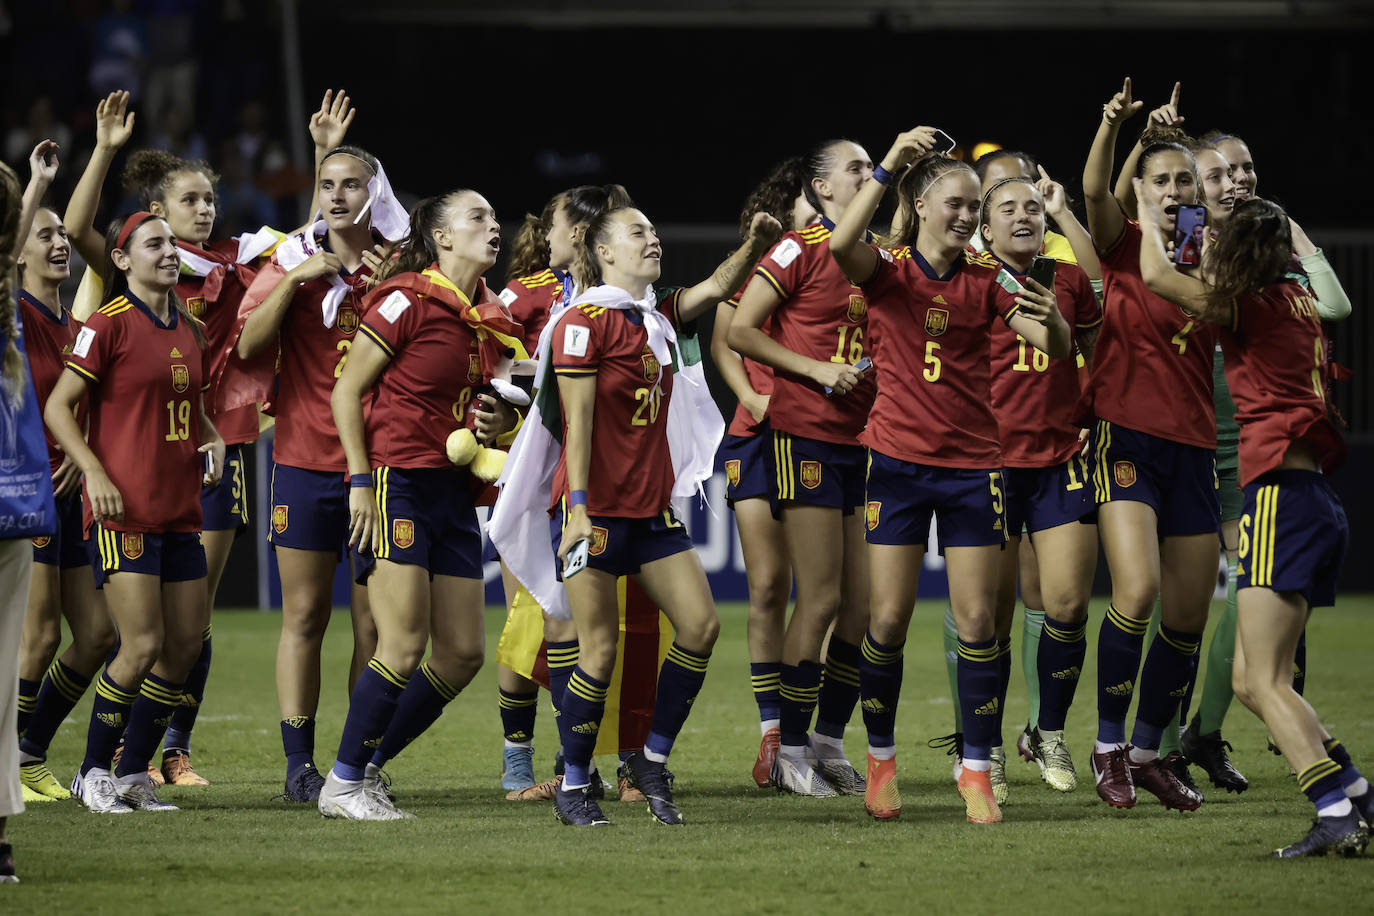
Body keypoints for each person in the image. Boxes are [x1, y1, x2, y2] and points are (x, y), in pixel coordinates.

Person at [828, 132, 1069, 824]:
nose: (967, 216)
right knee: (887, 619)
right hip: (897, 467)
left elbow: (1048, 347)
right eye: (956, 205)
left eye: (973, 207)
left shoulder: (989, 278)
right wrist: (887, 166)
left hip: (973, 470)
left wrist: (1053, 327)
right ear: (923, 205)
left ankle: (975, 770)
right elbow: (844, 245)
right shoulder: (890, 271)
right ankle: (880, 761)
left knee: (975, 622)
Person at [1135, 190, 1371, 858]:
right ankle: (1356, 796)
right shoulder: (1296, 299)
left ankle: (1334, 811)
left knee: (1264, 682)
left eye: (1217, 237)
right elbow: (1309, 285)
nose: (1205, 242)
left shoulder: (1253, 306)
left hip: (1277, 502)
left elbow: (1156, 275)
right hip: (1313, 499)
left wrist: (1147, 212)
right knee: (1251, 681)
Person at [319, 189, 522, 820]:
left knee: (461, 653)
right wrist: (358, 480)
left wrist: (493, 423)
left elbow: (493, 413)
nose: (493, 228)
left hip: (450, 492)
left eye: (493, 217)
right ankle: (343, 783)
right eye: (477, 218)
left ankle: (367, 766)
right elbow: (347, 391)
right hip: (394, 481)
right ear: (441, 236)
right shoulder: (407, 298)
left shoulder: (487, 315)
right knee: (402, 643)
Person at [233, 140, 403, 803]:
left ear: (374, 196)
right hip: (305, 461)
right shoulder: (293, 262)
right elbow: (248, 344)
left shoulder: (397, 270)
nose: (336, 195)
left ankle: (349, 762)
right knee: (304, 616)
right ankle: (298, 765)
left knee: (373, 625)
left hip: (379, 468)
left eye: (351, 184)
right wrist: (297, 282)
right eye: (327, 183)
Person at [45, 210, 225, 813]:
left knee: (184, 649)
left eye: (172, 243)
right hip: (124, 509)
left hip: (180, 509)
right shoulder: (108, 324)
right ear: (121, 261)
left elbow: (192, 406)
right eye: (154, 244)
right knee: (141, 644)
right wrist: (93, 470)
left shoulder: (191, 330)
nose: (170, 251)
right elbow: (58, 408)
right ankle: (92, 772)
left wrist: (215, 437)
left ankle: (130, 777)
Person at [1078, 78, 1217, 812]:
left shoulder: (1209, 255)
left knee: (1188, 615)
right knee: (1136, 591)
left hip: (1192, 448)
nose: (1171, 188)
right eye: (1160, 179)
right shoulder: (1123, 243)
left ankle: (1149, 750)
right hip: (1123, 433)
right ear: (1142, 189)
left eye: (1183, 179)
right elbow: (1094, 185)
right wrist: (1118, 127)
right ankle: (1107, 749)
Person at [728, 138, 879, 797]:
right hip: (804, 436)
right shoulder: (797, 248)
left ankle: (826, 741)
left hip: (861, 439)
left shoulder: (876, 259)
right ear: (823, 190)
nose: (870, 176)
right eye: (857, 169)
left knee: (861, 605)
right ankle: (788, 748)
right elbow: (738, 332)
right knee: (814, 595)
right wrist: (815, 370)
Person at [493, 183, 632, 793]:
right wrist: (502, 410)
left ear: (578, 232)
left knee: (589, 625)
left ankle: (578, 759)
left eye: (550, 225)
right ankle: (518, 760)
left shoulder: (623, 294)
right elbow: (488, 368)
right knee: (532, 619)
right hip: (530, 472)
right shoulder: (523, 294)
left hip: (604, 477)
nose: (541, 235)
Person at [980, 173, 1102, 799]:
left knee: (1068, 606)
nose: (1024, 216)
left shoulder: (1071, 281)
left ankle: (1048, 733)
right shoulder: (973, 279)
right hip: (991, 464)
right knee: (992, 621)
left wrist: (1090, 415)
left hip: (1059, 459)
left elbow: (1097, 347)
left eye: (1033, 206)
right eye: (1009, 208)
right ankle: (987, 750)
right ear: (985, 221)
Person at [12, 144, 116, 803]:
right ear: (18, 249)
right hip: (28, 494)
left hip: (72, 492)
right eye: (43, 235)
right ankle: (11, 761)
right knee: (42, 633)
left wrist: (103, 153)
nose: (59, 243)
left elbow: (91, 243)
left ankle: (25, 749)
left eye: (60, 235)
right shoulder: (13, 315)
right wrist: (35, 188)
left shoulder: (72, 321)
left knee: (98, 635)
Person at [713, 158, 814, 786]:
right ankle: (772, 733)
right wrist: (750, 399)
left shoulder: (848, 263)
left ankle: (813, 739)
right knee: (770, 586)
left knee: (821, 595)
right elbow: (725, 340)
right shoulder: (769, 262)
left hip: (819, 440)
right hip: (756, 438)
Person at [1, 152, 64, 883]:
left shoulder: (29, 310)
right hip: (20, 497)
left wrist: (38, 190)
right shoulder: (12, 307)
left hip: (21, 502)